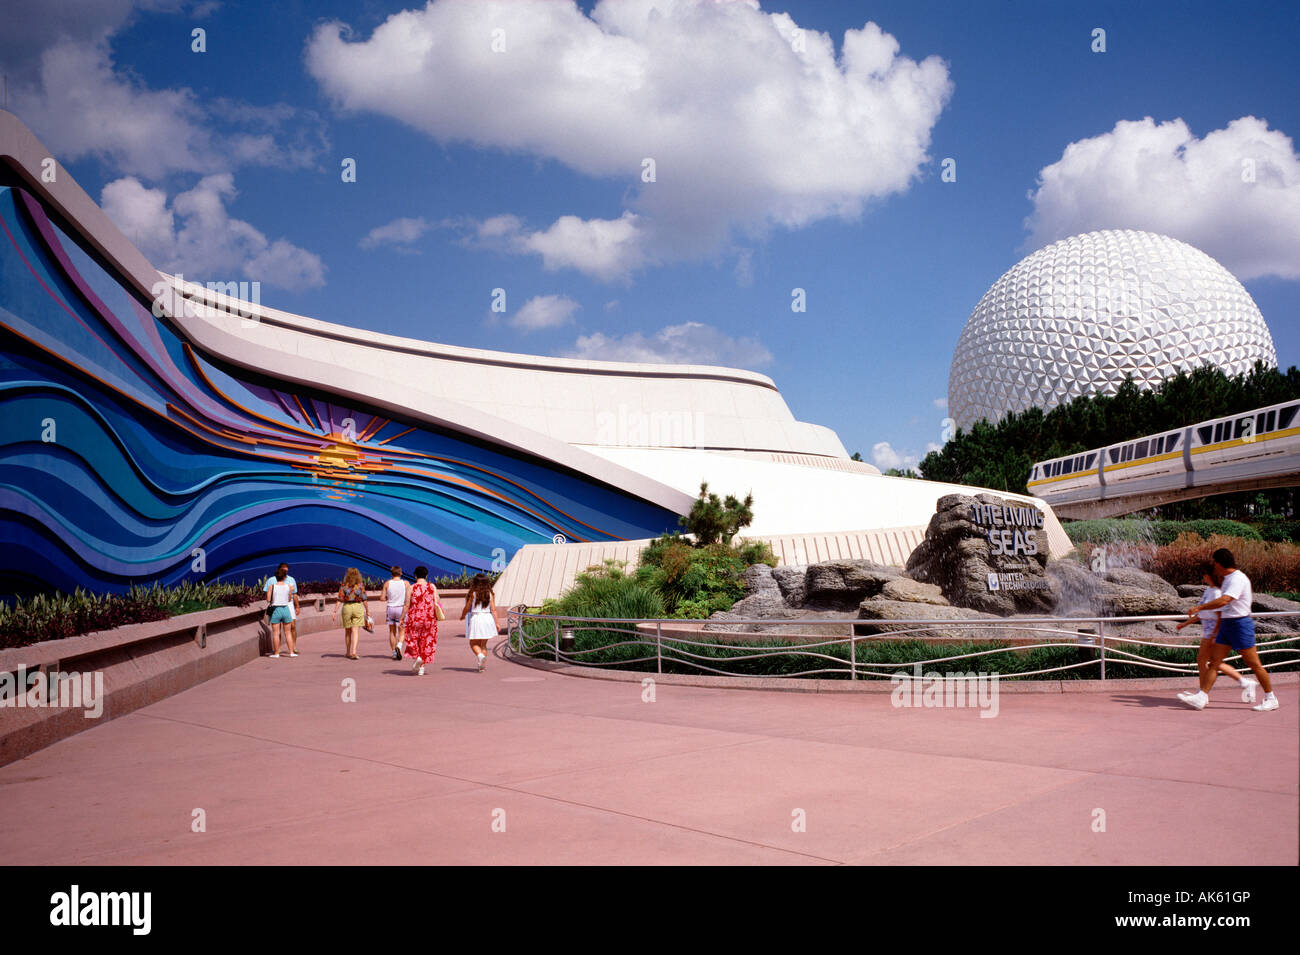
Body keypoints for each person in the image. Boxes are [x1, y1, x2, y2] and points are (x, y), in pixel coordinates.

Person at [1179, 548, 1278, 712]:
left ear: (1219, 563)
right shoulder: (1226, 579)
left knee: (1254, 664)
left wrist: (1199, 607)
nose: (1214, 567)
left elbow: (1224, 600)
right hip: (1227, 624)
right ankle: (1201, 697)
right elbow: (1223, 606)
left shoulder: (1238, 578)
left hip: (1240, 624)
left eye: (1214, 563)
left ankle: (1271, 698)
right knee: (1214, 663)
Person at [1176, 564, 1256, 705]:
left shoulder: (1218, 592)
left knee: (1209, 662)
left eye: (1204, 574)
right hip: (1208, 632)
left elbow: (1220, 615)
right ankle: (1204, 693)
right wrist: (1185, 624)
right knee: (1208, 662)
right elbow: (1202, 614)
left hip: (1213, 632)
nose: (1203, 577)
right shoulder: (1209, 591)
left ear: (1209, 576)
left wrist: (1215, 635)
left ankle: (1204, 694)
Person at [403, 566, 440, 676]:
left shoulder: (411, 587)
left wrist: (401, 618)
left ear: (415, 575)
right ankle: (422, 668)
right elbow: (437, 601)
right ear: (426, 575)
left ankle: (418, 658)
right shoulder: (432, 586)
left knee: (413, 640)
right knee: (426, 641)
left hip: (415, 618)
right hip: (429, 618)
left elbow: (406, 605)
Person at [460, 573, 500, 672]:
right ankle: (482, 666)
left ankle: (480, 656)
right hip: (488, 618)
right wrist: (497, 623)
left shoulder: (473, 594)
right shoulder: (490, 594)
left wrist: (463, 615)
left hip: (477, 618)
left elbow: (467, 607)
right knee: (483, 644)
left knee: (473, 643)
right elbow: (494, 609)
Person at [332, 567, 370, 660]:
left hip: (347, 607)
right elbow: (364, 599)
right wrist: (367, 611)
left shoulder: (344, 585)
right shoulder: (360, 585)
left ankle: (348, 652)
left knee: (348, 632)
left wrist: (334, 611)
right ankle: (354, 652)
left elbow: (340, 599)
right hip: (357, 607)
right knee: (355, 631)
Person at [265, 565, 299, 658]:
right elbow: (289, 599)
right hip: (286, 609)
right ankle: (291, 652)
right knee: (288, 632)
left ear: (276, 577)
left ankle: (276, 653)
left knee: (276, 633)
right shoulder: (288, 586)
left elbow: (268, 599)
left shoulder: (272, 586)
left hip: (276, 610)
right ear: (284, 577)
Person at [381, 566, 408, 661]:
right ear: (400, 573)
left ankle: (394, 653)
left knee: (392, 631)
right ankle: (399, 646)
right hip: (401, 608)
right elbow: (410, 596)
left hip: (391, 609)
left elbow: (382, 598)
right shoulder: (405, 583)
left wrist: (389, 598)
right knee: (402, 631)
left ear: (391, 573)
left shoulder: (387, 583)